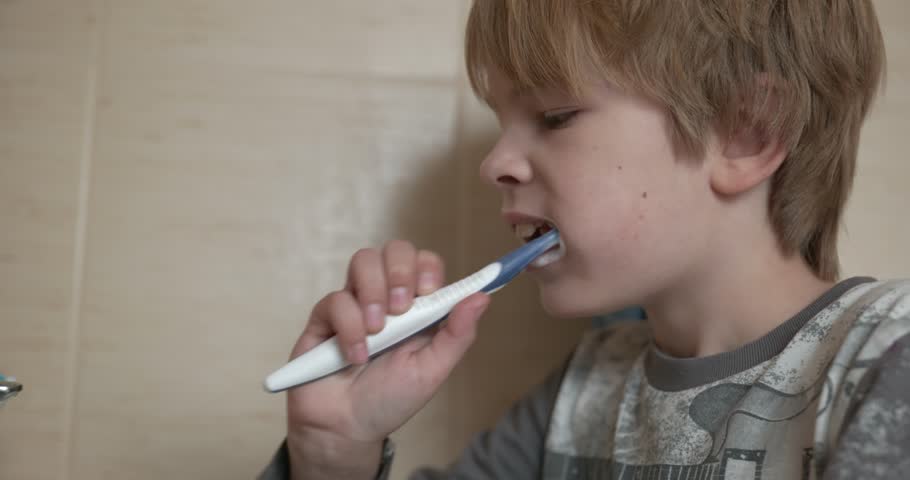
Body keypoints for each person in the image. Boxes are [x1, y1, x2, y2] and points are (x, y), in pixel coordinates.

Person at [261, 1, 910, 478]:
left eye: (554, 116)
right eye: (501, 123)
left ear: (748, 132)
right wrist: (333, 450)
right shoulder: (581, 395)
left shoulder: (888, 369)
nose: (495, 165)